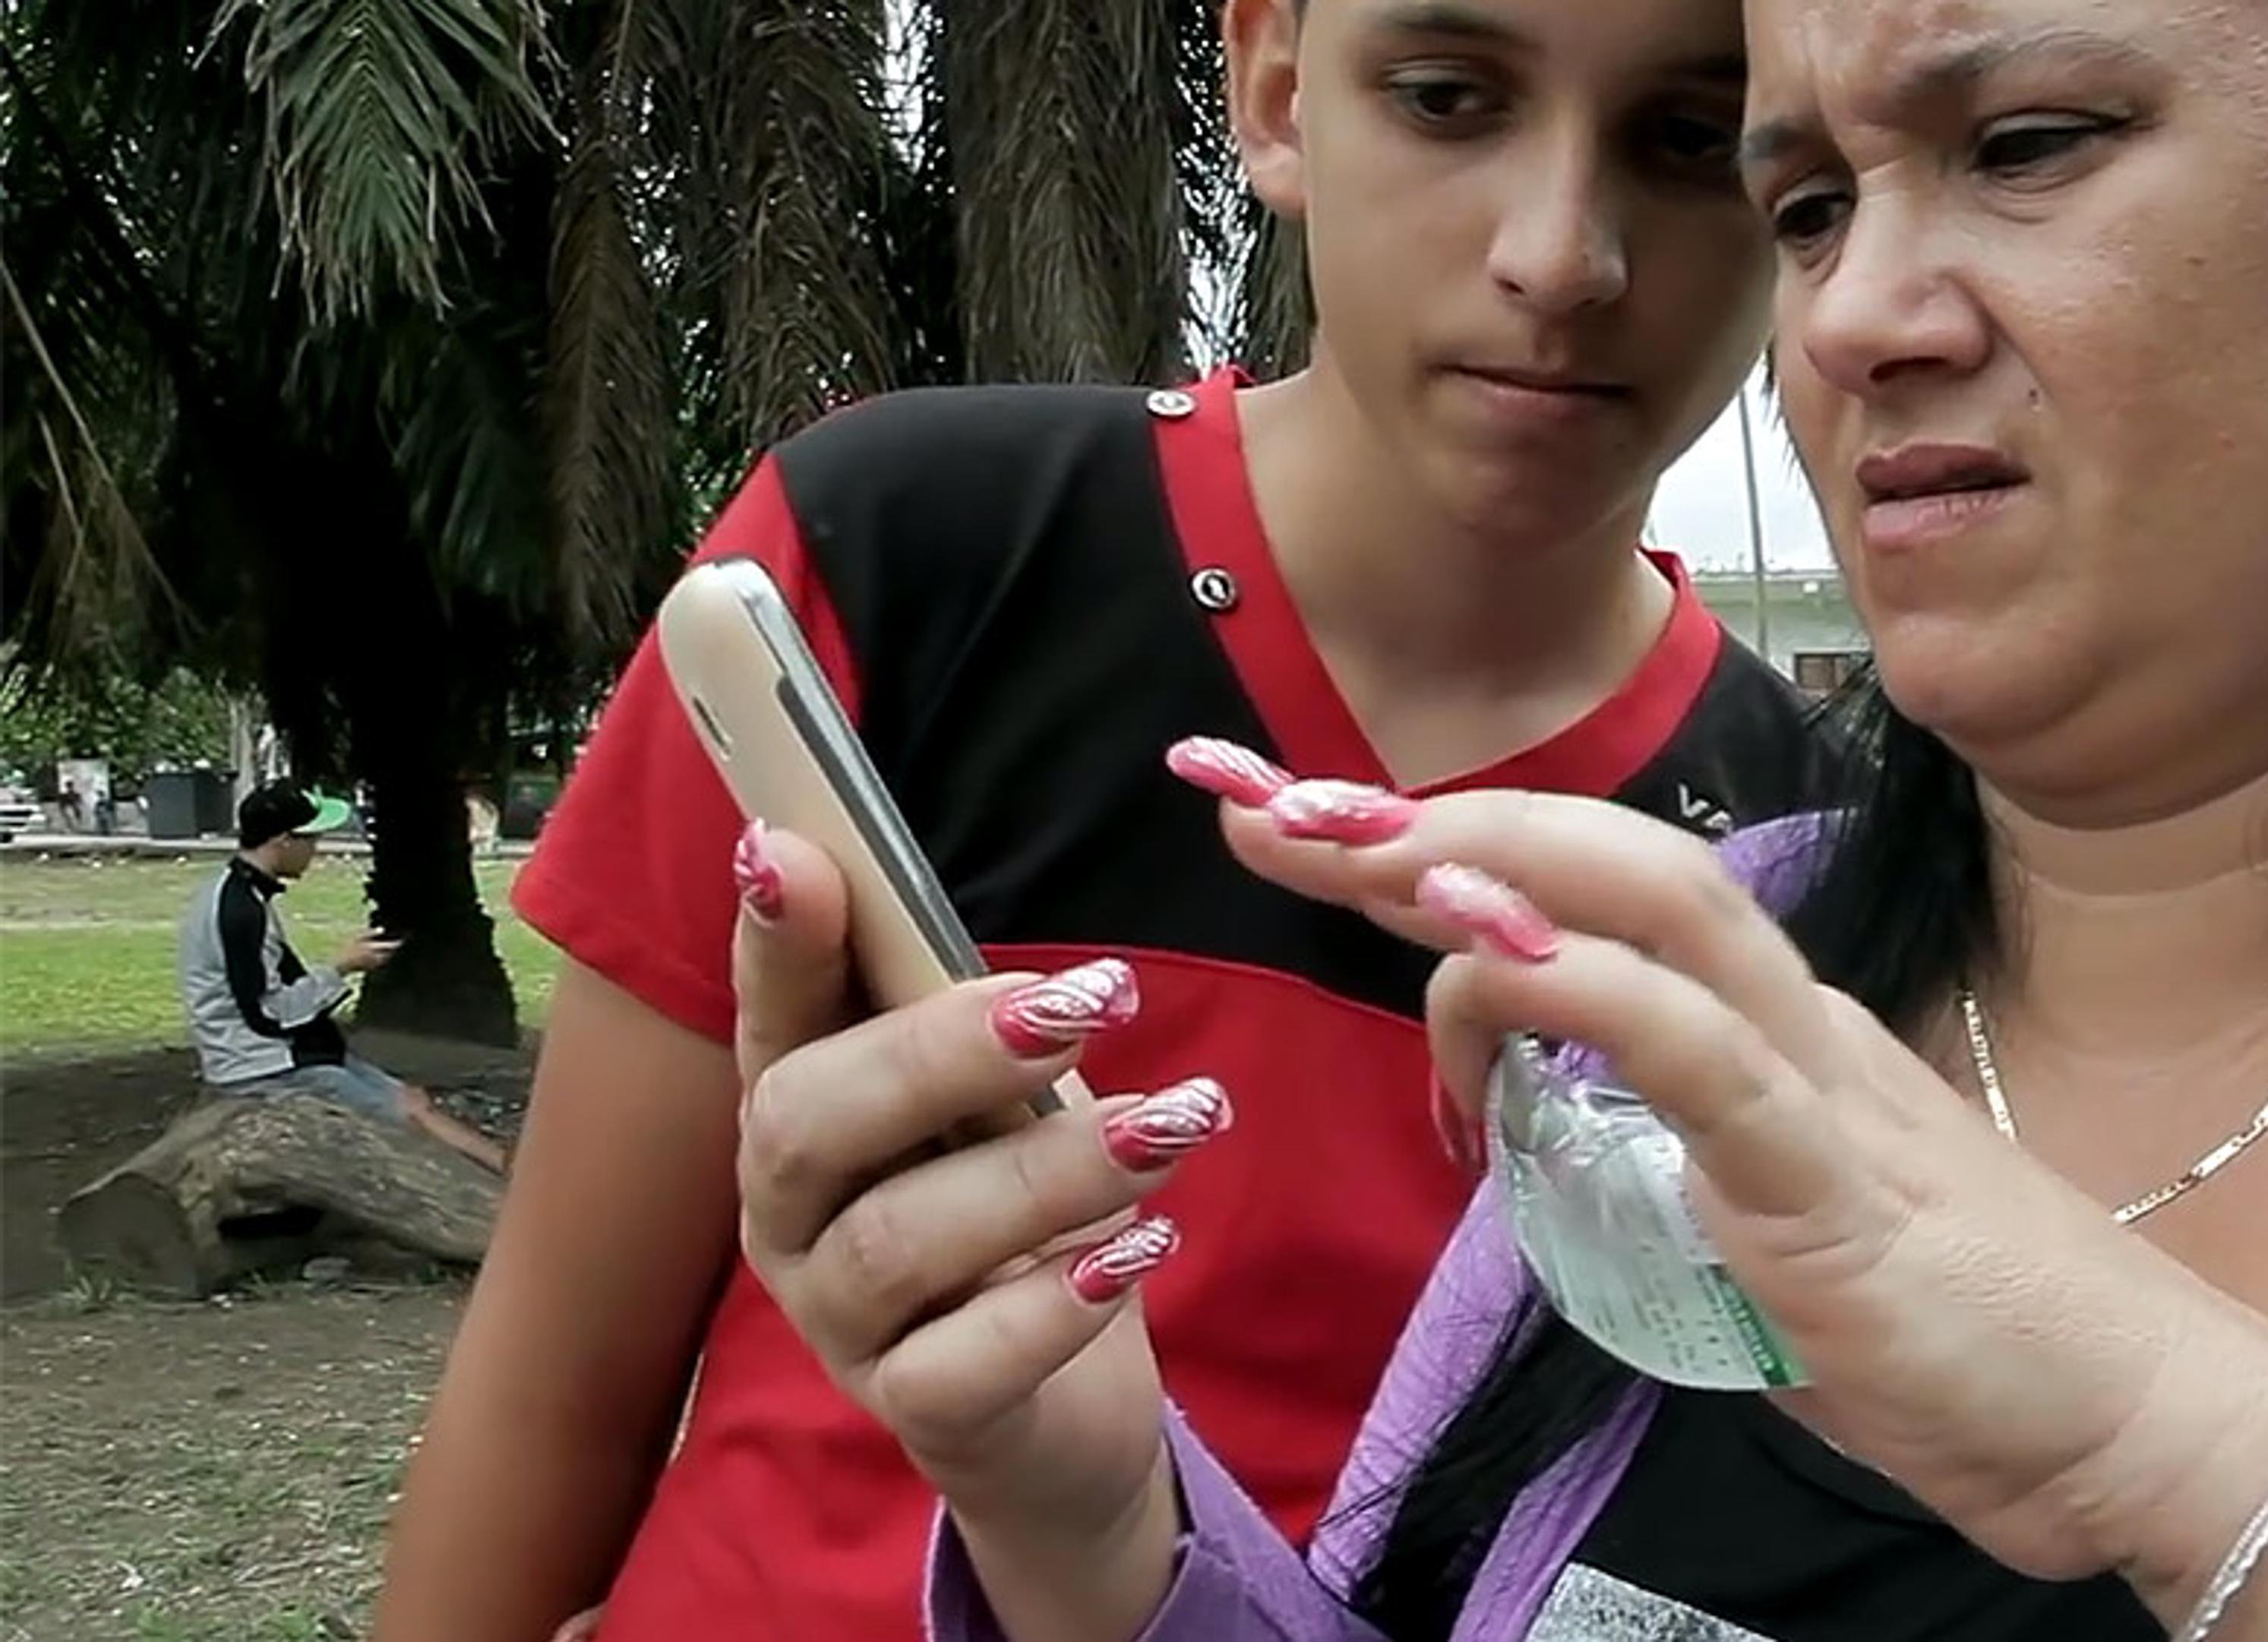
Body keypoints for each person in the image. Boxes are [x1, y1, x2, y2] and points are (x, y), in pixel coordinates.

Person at [724, 0, 2268, 1637]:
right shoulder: (1711, 976)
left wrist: (2174, 1442)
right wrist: (1095, 1520)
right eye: (1806, 205)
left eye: (2030, 143)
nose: (1854, 314)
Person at [371, 0, 1834, 1635]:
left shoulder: (1816, 868)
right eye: (1444, 97)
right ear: (1276, 89)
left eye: (1690, 138)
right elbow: (559, 1376)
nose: (1560, 257)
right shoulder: (907, 556)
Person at [178, 783, 508, 1174]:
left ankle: (510, 1168)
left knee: (414, 1100)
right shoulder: (240, 912)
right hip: (262, 1068)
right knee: (409, 1119)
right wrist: (341, 968)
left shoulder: (236, 892)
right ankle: (507, 1182)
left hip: (279, 1053)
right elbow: (268, 1013)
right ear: (284, 841)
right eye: (311, 839)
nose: (316, 849)